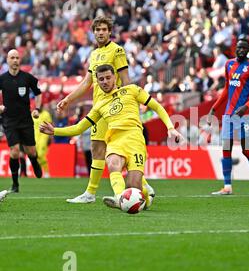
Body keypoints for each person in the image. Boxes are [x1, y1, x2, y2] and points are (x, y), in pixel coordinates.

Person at [39, 64, 182, 210]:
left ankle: (144, 196)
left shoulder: (132, 90)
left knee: (134, 187)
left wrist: (170, 128)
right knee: (113, 163)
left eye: (108, 77)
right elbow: (79, 128)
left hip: (135, 140)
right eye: (101, 79)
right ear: (97, 82)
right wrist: (55, 130)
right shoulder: (99, 105)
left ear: (115, 77)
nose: (105, 81)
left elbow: (157, 106)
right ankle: (119, 198)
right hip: (115, 141)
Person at [56, 16, 131, 204]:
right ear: (93, 32)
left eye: (104, 29)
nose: (100, 33)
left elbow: (126, 79)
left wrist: (130, 103)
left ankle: (141, 187)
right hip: (99, 107)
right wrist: (67, 99)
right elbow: (87, 83)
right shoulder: (94, 54)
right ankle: (90, 194)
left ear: (110, 31)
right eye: (97, 30)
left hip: (114, 106)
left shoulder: (117, 50)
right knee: (98, 149)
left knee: (115, 150)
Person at [207, 37, 249, 196]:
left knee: (246, 149)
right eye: (238, 48)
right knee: (226, 148)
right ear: (235, 49)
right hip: (229, 113)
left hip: (245, 115)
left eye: (244, 48)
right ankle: (227, 187)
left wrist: (246, 107)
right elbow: (227, 89)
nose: (240, 50)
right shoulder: (229, 64)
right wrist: (214, 108)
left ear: (248, 50)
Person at [0, 49, 43, 201]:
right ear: (7, 60)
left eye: (17, 57)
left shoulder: (27, 77)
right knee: (14, 152)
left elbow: (38, 93)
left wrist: (37, 109)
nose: (15, 60)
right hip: (9, 121)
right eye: (12, 57)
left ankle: (34, 162)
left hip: (25, 120)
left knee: (31, 151)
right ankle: (15, 183)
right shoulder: (2, 79)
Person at [33, 103, 52, 178]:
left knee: (41, 155)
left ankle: (47, 172)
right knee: (36, 156)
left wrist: (50, 137)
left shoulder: (46, 114)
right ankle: (40, 172)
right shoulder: (33, 114)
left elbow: (50, 125)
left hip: (44, 137)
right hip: (35, 138)